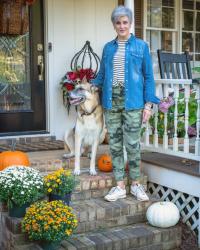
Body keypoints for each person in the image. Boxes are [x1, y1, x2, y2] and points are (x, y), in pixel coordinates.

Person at [91, 5, 160, 202]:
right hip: (111, 100)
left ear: (130, 24)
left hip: (133, 101)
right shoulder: (108, 47)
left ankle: (136, 185)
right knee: (114, 144)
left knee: (132, 144)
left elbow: (148, 76)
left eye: (125, 22)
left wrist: (148, 105)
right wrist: (89, 87)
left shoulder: (141, 46)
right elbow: (102, 75)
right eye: (118, 22)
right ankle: (120, 186)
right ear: (114, 25)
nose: (121, 26)